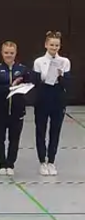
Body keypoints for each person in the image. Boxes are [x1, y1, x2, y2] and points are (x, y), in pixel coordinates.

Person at [32, 30, 71, 176]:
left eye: (57, 45)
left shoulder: (65, 62)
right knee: (41, 130)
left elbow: (67, 83)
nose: (54, 48)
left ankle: (52, 161)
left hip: (58, 98)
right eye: (52, 45)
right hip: (43, 97)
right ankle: (42, 161)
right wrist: (45, 77)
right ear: (46, 45)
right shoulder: (39, 61)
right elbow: (35, 82)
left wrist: (60, 76)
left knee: (55, 130)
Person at [0, 41, 29, 176]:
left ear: (16, 53)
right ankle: (1, 163)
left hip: (17, 110)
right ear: (1, 53)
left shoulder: (22, 70)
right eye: (6, 53)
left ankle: (10, 163)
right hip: (0, 110)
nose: (9, 55)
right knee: (0, 138)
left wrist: (21, 87)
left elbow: (28, 85)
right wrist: (10, 87)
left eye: (11, 53)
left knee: (14, 138)